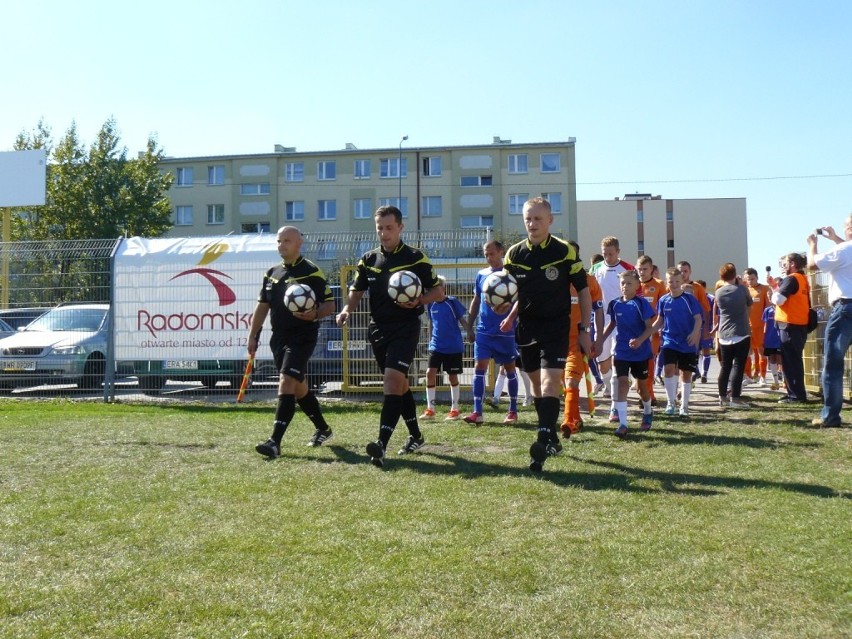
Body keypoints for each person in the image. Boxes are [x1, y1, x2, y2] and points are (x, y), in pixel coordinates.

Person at [336, 205, 444, 467]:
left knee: (392, 383)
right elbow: (357, 289)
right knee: (400, 386)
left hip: (406, 328)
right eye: (380, 228)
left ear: (400, 228)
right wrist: (347, 309)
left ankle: (381, 445)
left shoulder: (416, 258)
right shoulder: (368, 259)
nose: (384, 233)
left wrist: (420, 299)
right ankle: (416, 436)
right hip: (378, 329)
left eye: (389, 228)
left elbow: (439, 291)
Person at [502, 197, 592, 472]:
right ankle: (551, 436)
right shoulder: (514, 254)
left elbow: (584, 291)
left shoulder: (564, 252)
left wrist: (585, 329)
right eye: (528, 218)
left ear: (550, 220)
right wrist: (506, 310)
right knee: (537, 387)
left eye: (538, 218)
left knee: (551, 382)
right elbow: (508, 291)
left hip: (556, 326)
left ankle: (540, 444)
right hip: (527, 328)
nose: (532, 224)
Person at [251, 226, 337, 459]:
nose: (281, 245)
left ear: (299, 243)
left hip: (303, 337)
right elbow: (262, 306)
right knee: (299, 388)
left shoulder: (312, 272)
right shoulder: (272, 272)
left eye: (287, 241)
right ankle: (323, 429)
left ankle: (274, 442)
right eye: (279, 241)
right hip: (278, 338)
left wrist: (314, 314)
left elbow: (330, 306)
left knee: (286, 381)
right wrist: (253, 334)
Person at [594, 270, 656, 438]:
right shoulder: (615, 304)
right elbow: (612, 324)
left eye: (629, 283)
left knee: (642, 388)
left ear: (637, 285)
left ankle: (648, 412)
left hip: (640, 353)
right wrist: (600, 340)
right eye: (622, 283)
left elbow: (650, 327)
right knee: (622, 384)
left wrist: (639, 340)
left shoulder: (641, 303)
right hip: (621, 351)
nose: (625, 286)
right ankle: (623, 424)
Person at [466, 240, 521, 425]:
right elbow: (476, 300)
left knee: (509, 368)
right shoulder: (481, 274)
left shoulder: (510, 274)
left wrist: (511, 318)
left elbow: (520, 299)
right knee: (479, 367)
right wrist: (469, 325)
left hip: (505, 330)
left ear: (501, 252)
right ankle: (477, 412)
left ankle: (513, 410)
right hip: (484, 330)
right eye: (486, 254)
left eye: (492, 254)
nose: (489, 258)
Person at [807, 216, 852, 427]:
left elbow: (813, 264)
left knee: (833, 364)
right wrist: (835, 238)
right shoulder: (843, 248)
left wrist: (812, 245)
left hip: (845, 309)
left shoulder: (843, 251)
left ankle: (830, 416)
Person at [561, 241, 604, 437]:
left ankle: (568, 422)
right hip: (554, 341)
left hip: (577, 341)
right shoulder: (554, 280)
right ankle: (576, 420)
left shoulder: (590, 281)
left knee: (571, 382)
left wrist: (599, 338)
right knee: (560, 386)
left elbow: (599, 310)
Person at [588, 236, 634, 412]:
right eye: (604, 254)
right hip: (601, 320)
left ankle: (617, 402)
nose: (607, 257)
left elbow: (636, 293)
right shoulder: (595, 269)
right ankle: (610, 386)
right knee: (601, 361)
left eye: (611, 254)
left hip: (621, 321)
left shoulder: (628, 269)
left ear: (618, 252)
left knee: (617, 359)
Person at [652, 267, 703, 417]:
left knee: (685, 374)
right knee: (668, 370)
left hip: (687, 341)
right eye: (670, 281)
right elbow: (659, 320)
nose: (673, 284)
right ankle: (670, 402)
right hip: (669, 340)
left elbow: (698, 319)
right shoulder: (663, 300)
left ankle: (684, 406)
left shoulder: (689, 299)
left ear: (682, 282)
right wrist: (647, 333)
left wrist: (694, 333)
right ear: (666, 282)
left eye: (676, 281)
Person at [421, 276, 468, 421]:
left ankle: (455, 409)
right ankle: (431, 409)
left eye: (432, 289)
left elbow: (462, 320)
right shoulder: (430, 305)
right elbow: (431, 323)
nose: (429, 292)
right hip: (436, 346)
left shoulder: (452, 302)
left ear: (441, 288)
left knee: (452, 376)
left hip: (453, 347)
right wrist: (430, 340)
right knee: (430, 373)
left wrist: (471, 333)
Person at [769, 252, 811, 404]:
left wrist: (774, 294)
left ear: (792, 264)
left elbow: (779, 300)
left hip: (790, 325)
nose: (783, 266)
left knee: (791, 361)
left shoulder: (791, 278)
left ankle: (797, 395)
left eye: (785, 263)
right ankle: (793, 392)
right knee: (791, 360)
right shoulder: (802, 278)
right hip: (798, 324)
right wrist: (775, 287)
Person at [712, 263, 753, 408]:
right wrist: (741, 283)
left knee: (725, 366)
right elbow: (749, 303)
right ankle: (735, 398)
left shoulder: (718, 292)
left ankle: (722, 397)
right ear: (735, 275)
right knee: (738, 366)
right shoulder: (742, 289)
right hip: (741, 332)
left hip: (723, 333)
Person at [636, 255, 666, 404]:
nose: (642, 272)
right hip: (635, 330)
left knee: (649, 362)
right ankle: (642, 392)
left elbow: (665, 308)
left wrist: (661, 326)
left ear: (651, 269)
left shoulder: (659, 285)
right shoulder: (634, 284)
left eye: (645, 269)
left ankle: (649, 395)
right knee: (636, 362)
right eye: (639, 269)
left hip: (653, 330)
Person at [743, 267, 772, 385]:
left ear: (757, 277)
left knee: (761, 350)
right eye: (748, 279)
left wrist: (767, 324)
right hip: (746, 326)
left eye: (752, 279)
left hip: (760, 326)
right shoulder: (744, 290)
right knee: (747, 351)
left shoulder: (764, 289)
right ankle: (748, 376)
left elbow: (768, 307)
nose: (750, 281)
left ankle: (762, 376)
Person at [762, 303, 783, 390]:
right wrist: (764, 337)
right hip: (769, 339)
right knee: (771, 359)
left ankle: (785, 382)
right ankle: (776, 382)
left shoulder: (782, 308)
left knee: (780, 359)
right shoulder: (767, 310)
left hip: (779, 338)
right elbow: (765, 325)